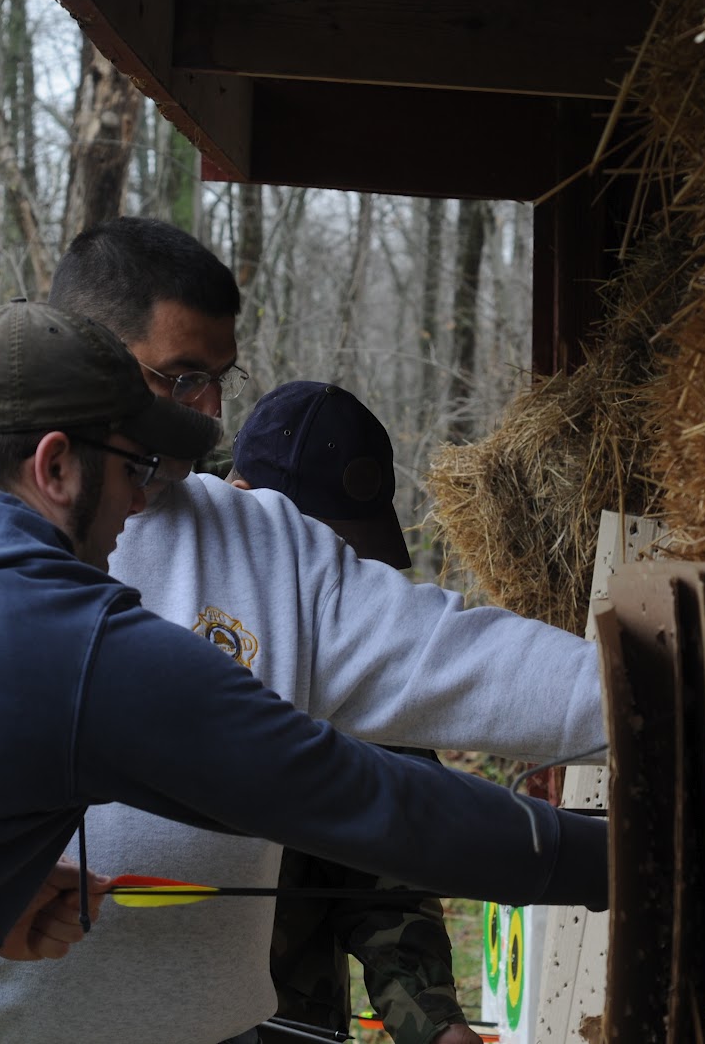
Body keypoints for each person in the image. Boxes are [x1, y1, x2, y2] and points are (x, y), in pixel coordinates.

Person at [0, 299, 608, 1044]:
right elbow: (370, 802)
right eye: (136, 471)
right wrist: (641, 860)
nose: (139, 509)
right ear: (54, 466)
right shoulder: (59, 636)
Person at [0, 220, 608, 1044]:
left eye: (223, 379)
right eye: (184, 378)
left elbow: (461, 660)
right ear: (88, 359)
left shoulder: (265, 544)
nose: (212, 413)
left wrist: (665, 710)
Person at [228, 380, 483, 1044]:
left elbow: (387, 866)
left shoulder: (356, 647)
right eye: (323, 552)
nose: (343, 582)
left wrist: (435, 1024)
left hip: (289, 1021)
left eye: (356, 560)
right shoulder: (131, 564)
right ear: (250, 506)